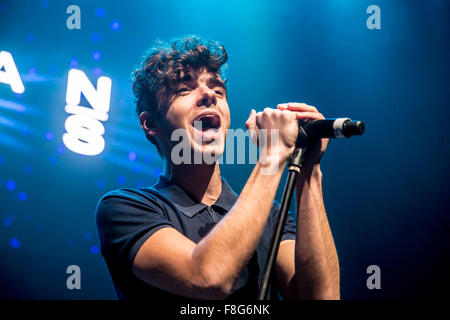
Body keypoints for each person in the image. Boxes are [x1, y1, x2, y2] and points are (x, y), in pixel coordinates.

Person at [95, 35, 340, 300]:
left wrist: (309, 169)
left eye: (218, 90)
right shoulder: (126, 208)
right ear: (150, 124)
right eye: (184, 89)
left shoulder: (270, 216)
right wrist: (274, 154)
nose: (209, 95)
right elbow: (207, 277)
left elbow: (322, 297)